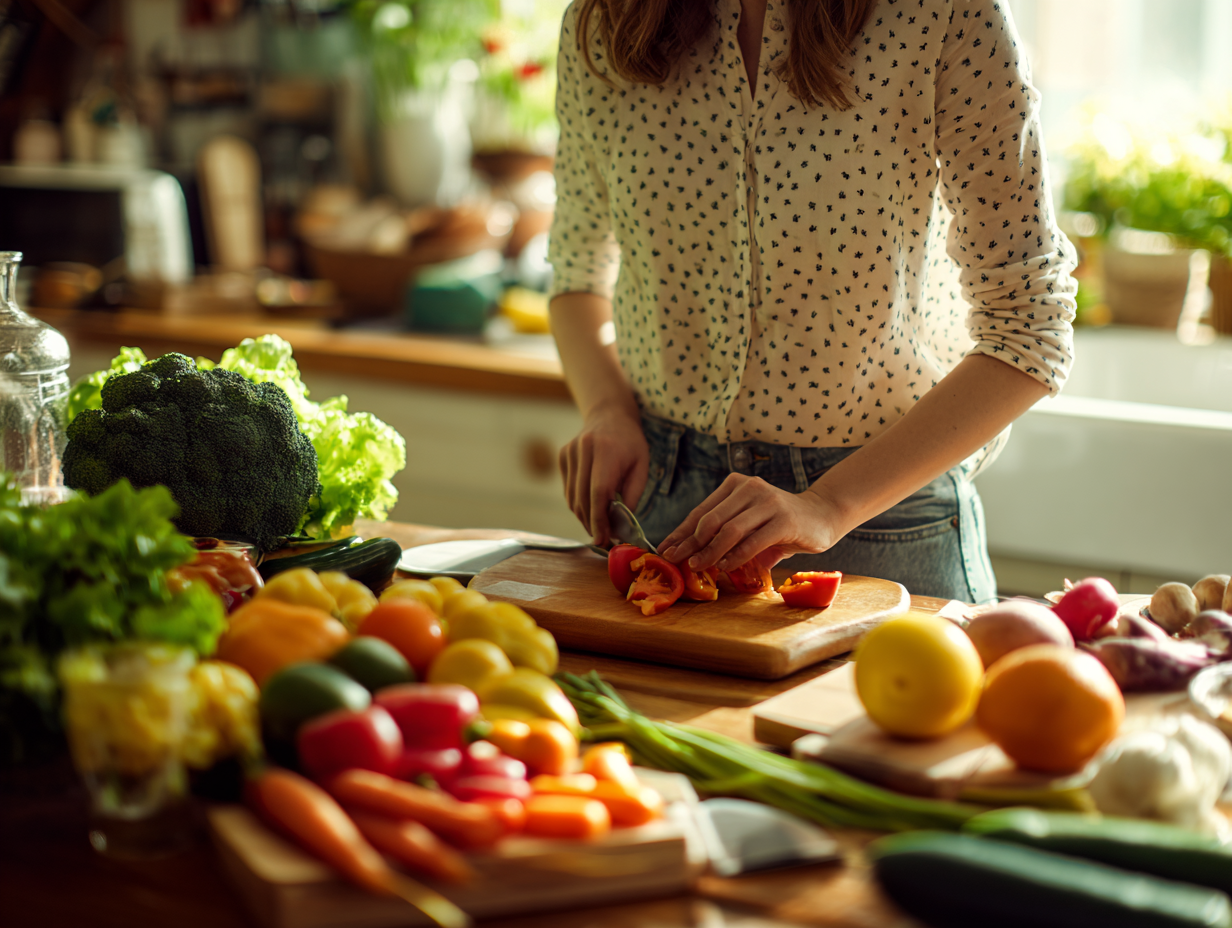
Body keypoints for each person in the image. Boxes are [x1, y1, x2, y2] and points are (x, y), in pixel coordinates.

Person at [547, 0, 1077, 604]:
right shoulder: (604, 22)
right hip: (665, 508)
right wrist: (607, 411)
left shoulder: (941, 12)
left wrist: (827, 503)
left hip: (885, 518)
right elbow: (575, 268)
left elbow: (1031, 327)